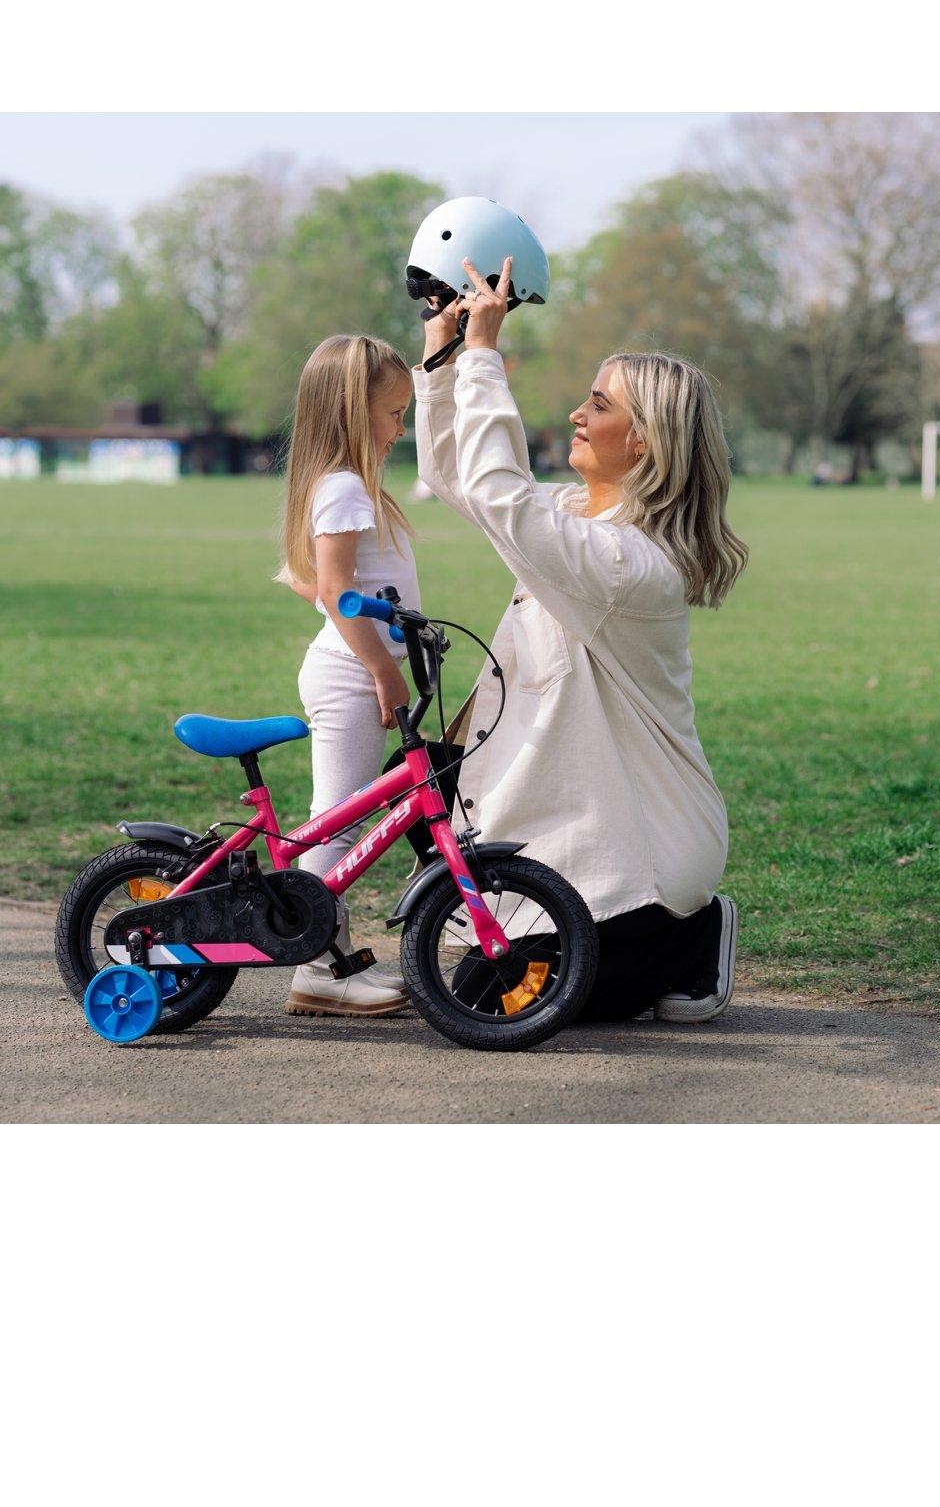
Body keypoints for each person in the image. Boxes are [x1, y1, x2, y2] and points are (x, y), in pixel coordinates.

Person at [415, 257, 748, 1022]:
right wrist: (443, 353)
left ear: (646, 443)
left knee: (489, 1007)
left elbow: (500, 496)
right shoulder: (576, 522)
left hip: (640, 862)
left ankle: (691, 935)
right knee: (473, 983)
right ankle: (629, 943)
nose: (577, 414)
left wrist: (485, 356)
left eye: (598, 405)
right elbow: (460, 475)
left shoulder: (629, 565)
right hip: (558, 835)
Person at [274, 334, 418, 1016]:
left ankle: (327, 959)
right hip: (350, 677)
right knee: (332, 827)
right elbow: (333, 590)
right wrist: (384, 667)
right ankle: (319, 971)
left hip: (351, 670)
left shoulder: (345, 487)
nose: (400, 427)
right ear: (351, 411)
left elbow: (310, 581)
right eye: (393, 413)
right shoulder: (345, 488)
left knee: (337, 824)